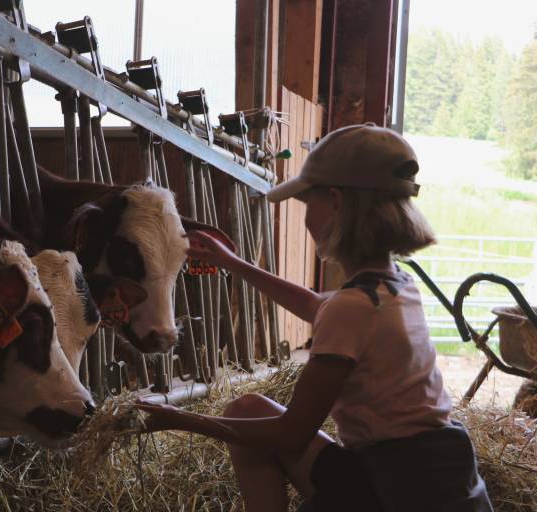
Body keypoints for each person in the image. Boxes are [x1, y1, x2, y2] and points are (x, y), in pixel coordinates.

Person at [135, 123, 493, 512]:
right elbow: (315, 305)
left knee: (250, 426)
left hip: (399, 494)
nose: (306, 220)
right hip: (444, 482)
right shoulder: (396, 285)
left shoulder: (352, 307)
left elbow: (291, 434)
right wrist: (232, 263)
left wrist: (178, 419)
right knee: (248, 408)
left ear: (337, 202)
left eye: (309, 204)